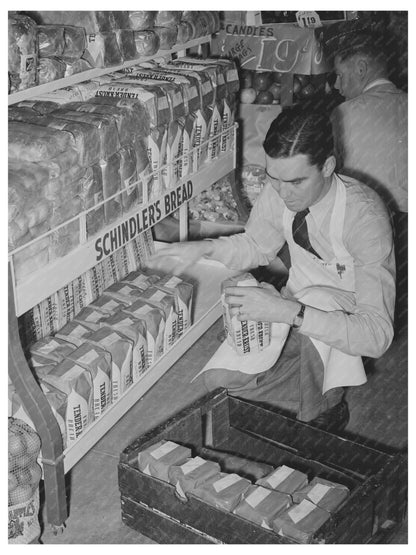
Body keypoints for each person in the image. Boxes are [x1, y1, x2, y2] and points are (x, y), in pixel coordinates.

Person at [148, 105, 396, 433]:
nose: (282, 192)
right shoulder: (280, 187)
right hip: (291, 310)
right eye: (274, 178)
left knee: (320, 300)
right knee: (219, 382)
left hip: (338, 329)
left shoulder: (365, 219)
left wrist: (287, 312)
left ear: (327, 166)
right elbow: (256, 246)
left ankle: (324, 411)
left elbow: (377, 336)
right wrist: (205, 248)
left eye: (295, 181)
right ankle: (301, 388)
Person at [330, 30, 407, 331]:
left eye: (339, 75)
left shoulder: (343, 114)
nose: (336, 86)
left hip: (369, 232)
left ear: (361, 68)